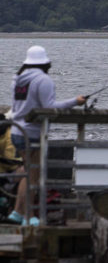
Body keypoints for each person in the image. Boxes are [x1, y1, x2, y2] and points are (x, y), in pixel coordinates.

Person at [7, 46, 85, 226]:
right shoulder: (43, 80)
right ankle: (29, 217)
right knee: (33, 177)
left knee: (27, 172)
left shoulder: (18, 79)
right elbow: (49, 107)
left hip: (17, 130)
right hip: (32, 133)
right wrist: (75, 101)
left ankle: (17, 213)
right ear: (46, 63)